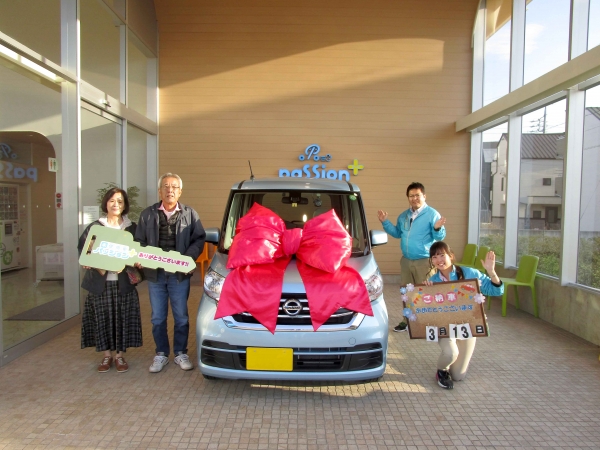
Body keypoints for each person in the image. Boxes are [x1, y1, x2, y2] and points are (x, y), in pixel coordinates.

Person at [135, 173, 205, 373]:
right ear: (159, 191)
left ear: (180, 191)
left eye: (174, 187)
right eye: (166, 186)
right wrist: (140, 256)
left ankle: (181, 352)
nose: (170, 190)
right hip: (155, 274)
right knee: (158, 317)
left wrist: (187, 259)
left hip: (178, 274)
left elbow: (199, 239)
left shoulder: (190, 214)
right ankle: (161, 354)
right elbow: (139, 241)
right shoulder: (147, 214)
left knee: (181, 316)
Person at [78, 187, 143, 373]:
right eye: (112, 200)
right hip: (101, 284)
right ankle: (107, 355)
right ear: (106, 203)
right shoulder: (96, 227)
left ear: (125, 205)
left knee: (122, 319)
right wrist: (88, 260)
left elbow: (139, 250)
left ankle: (119, 356)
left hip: (124, 283)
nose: (116, 204)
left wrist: (139, 260)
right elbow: (85, 250)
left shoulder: (131, 228)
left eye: (120, 201)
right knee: (103, 319)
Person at [424, 241, 504, 389]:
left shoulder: (469, 273)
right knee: (450, 353)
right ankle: (442, 371)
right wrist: (426, 292)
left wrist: (491, 272)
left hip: (467, 326)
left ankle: (456, 365)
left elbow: (496, 290)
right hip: (446, 327)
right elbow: (428, 309)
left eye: (442, 255)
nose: (439, 260)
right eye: (434, 257)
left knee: (458, 376)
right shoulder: (432, 281)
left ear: (451, 256)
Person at [377, 182, 446, 332]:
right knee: (406, 292)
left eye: (417, 195)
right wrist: (385, 222)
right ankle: (407, 320)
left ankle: (428, 322)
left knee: (426, 292)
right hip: (407, 260)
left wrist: (437, 228)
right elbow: (397, 233)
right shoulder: (404, 215)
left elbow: (440, 236)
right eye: (411, 196)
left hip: (424, 261)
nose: (414, 198)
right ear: (408, 197)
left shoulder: (432, 214)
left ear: (424, 196)